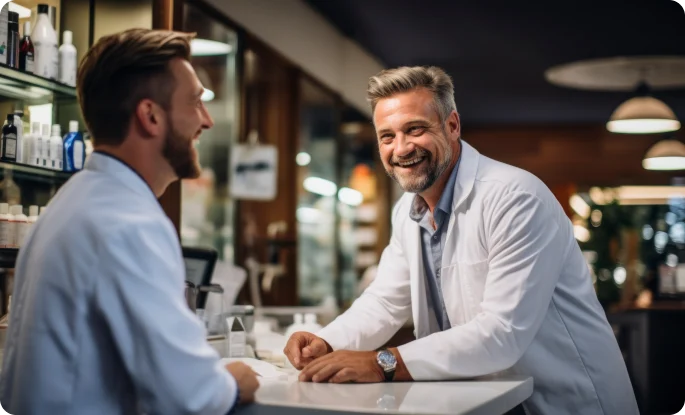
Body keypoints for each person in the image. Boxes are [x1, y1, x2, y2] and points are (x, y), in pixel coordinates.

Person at [284, 66, 638, 415]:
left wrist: (382, 363)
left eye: (415, 129)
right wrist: (326, 340)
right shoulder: (407, 211)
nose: (402, 148)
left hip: (564, 400)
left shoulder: (515, 198)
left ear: (452, 126)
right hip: (481, 398)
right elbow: (385, 301)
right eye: (387, 136)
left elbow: (501, 332)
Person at [0, 29, 259, 414]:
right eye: (195, 102)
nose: (205, 120)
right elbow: (191, 395)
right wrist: (235, 381)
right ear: (150, 116)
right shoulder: (130, 223)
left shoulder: (72, 202)